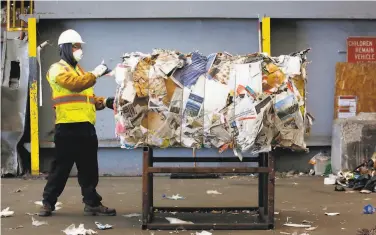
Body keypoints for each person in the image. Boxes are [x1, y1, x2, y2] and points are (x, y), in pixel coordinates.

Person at [39, 29, 116, 217]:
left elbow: (85, 96)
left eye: (80, 47)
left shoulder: (79, 70)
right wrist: (96, 73)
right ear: (65, 48)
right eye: (76, 46)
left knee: (89, 169)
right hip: (67, 127)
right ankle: (48, 203)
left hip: (86, 127)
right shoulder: (57, 69)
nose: (79, 50)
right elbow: (76, 85)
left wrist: (105, 102)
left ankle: (92, 203)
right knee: (61, 168)